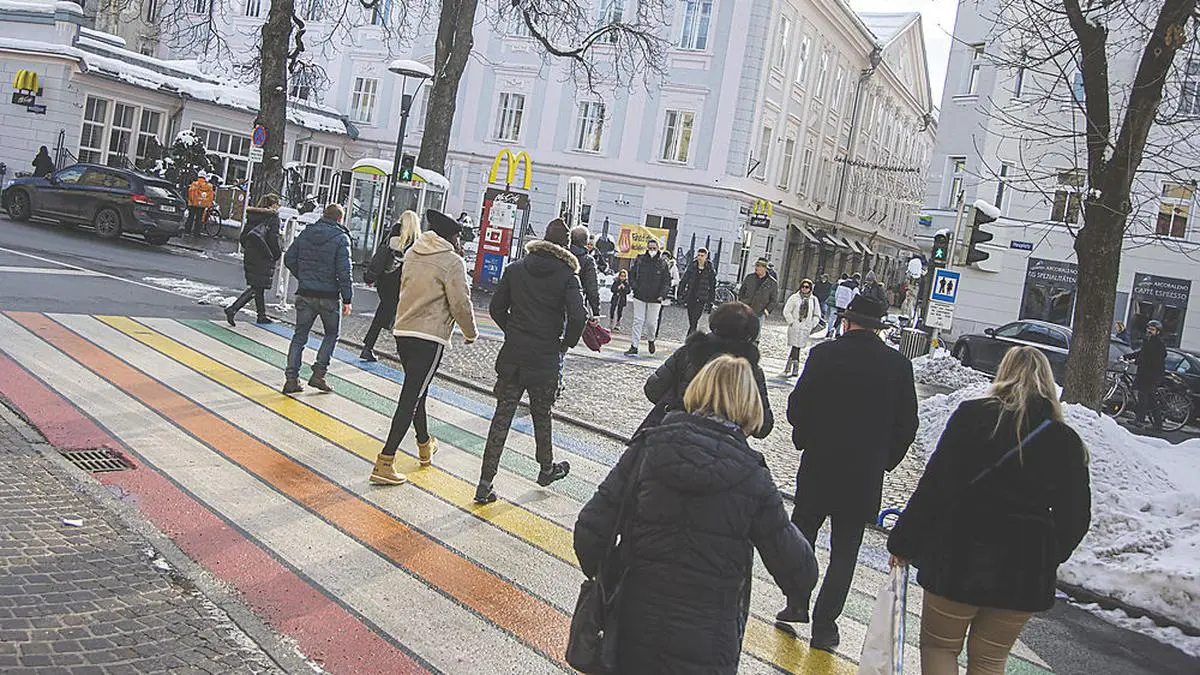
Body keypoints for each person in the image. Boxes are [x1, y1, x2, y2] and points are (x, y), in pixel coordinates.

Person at [575, 355, 817, 674]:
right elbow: (799, 571)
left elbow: (590, 529)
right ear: (750, 405)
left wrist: (614, 574)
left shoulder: (648, 447)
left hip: (633, 625)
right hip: (708, 643)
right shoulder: (752, 476)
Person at [887, 346, 1091, 675]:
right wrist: (1045, 554)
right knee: (990, 661)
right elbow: (1076, 518)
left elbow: (936, 486)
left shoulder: (972, 416)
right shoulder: (1066, 440)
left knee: (940, 647)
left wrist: (904, 543)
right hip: (1023, 570)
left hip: (959, 555)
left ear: (1003, 372)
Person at [776, 293, 919, 651]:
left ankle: (796, 602)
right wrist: (885, 460)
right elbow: (908, 426)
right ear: (879, 327)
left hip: (820, 464)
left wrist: (805, 436)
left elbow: (798, 407)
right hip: (864, 474)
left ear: (847, 321)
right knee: (845, 551)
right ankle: (825, 626)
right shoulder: (898, 366)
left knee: (802, 536)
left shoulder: (824, 355)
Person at [474, 219, 586, 504]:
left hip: (513, 356)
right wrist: (565, 344)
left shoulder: (516, 269)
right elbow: (578, 317)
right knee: (542, 414)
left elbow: (497, 307)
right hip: (545, 358)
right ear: (564, 247)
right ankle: (546, 468)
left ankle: (485, 482)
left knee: (501, 419)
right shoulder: (567, 277)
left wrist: (513, 330)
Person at [369, 210, 478, 486]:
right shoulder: (452, 262)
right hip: (429, 336)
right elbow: (460, 303)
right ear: (452, 237)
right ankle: (385, 460)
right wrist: (470, 333)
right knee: (411, 397)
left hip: (403, 331)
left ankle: (424, 445)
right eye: (458, 237)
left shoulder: (414, 253)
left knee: (418, 391)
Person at [642, 301, 773, 437]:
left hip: (673, 433)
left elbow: (653, 389)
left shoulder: (688, 352)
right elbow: (763, 426)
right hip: (725, 445)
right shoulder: (750, 369)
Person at [282, 203, 353, 395]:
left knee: (299, 336)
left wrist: (304, 277)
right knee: (331, 334)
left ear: (323, 215)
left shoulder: (307, 233)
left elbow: (289, 258)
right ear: (340, 219)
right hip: (329, 297)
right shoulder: (341, 238)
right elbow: (344, 272)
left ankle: (291, 379)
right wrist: (347, 299)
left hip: (305, 294)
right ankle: (318, 374)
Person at [360, 210, 421, 362]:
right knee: (396, 316)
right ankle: (373, 346)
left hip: (385, 282)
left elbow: (379, 258)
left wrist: (371, 276)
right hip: (401, 283)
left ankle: (370, 346)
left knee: (388, 313)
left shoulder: (391, 237)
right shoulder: (415, 242)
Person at [224, 194, 282, 326]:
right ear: (273, 205)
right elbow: (273, 239)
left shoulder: (253, 215)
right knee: (256, 287)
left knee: (258, 286)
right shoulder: (272, 218)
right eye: (278, 204)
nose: (279, 207)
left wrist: (251, 248)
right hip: (264, 255)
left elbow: (244, 237)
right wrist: (276, 254)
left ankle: (261, 315)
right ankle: (233, 309)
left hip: (251, 254)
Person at [624, 238, 671, 356]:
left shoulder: (662, 263)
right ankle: (634, 346)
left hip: (655, 298)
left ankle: (651, 339)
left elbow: (667, 281)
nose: (652, 250)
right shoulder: (640, 260)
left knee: (651, 323)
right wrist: (634, 286)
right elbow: (632, 275)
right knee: (637, 321)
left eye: (654, 248)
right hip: (640, 295)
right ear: (647, 248)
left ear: (658, 249)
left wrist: (662, 294)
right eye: (650, 248)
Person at [1125, 319, 1167, 431]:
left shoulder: (1158, 344)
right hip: (1145, 374)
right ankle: (1157, 424)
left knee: (1144, 396)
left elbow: (1152, 359)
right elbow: (1141, 353)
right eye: (1148, 328)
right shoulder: (1148, 341)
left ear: (1158, 332)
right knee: (1150, 399)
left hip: (1151, 375)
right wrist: (1127, 356)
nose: (1149, 331)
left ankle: (1140, 420)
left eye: (1152, 329)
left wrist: (1136, 361)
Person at [781, 278, 821, 377]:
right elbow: (787, 311)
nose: (804, 289)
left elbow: (817, 314)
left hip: (805, 327)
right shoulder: (794, 298)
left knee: (797, 347)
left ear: (810, 288)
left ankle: (789, 367)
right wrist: (792, 322)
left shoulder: (814, 300)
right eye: (803, 287)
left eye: (807, 287)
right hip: (795, 325)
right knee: (795, 347)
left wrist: (812, 324)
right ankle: (794, 368)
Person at [676, 247, 717, 336]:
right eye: (698, 255)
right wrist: (680, 293)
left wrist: (711, 300)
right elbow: (684, 280)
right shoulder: (692, 266)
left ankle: (689, 338)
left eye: (702, 256)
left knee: (695, 319)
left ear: (706, 256)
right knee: (691, 319)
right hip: (691, 296)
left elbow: (712, 286)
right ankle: (692, 337)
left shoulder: (710, 269)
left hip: (701, 298)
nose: (700, 257)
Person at [568, 224, 601, 317]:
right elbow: (592, 287)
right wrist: (596, 312)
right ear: (586, 241)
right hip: (577, 303)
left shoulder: (562, 254)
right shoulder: (587, 260)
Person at [827, 274, 860, 339]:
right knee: (845, 319)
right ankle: (840, 331)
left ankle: (834, 330)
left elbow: (837, 293)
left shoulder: (842, 284)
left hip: (839, 303)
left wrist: (837, 301)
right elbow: (855, 297)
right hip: (847, 305)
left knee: (839, 317)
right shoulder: (854, 287)